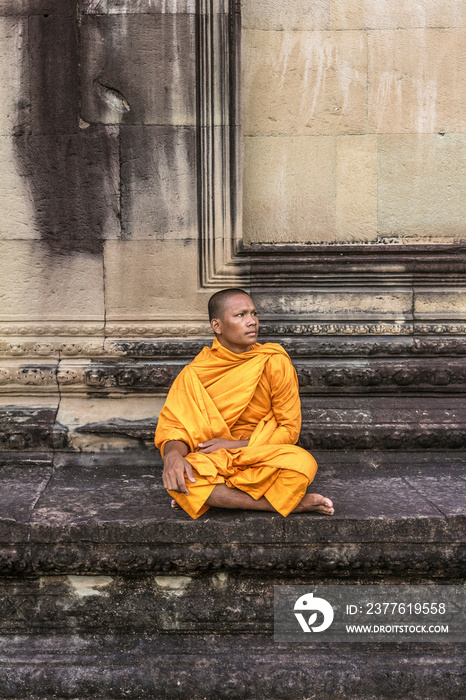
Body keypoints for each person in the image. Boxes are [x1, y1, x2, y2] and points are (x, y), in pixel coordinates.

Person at [154, 289, 334, 519]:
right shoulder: (195, 373)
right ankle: (284, 504)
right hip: (213, 459)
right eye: (240, 315)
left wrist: (234, 445)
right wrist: (172, 457)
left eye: (254, 313)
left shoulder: (273, 361)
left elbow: (289, 430)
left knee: (302, 463)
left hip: (257, 453)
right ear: (217, 326)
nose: (252, 322)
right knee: (182, 473)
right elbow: (175, 428)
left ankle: (214, 499)